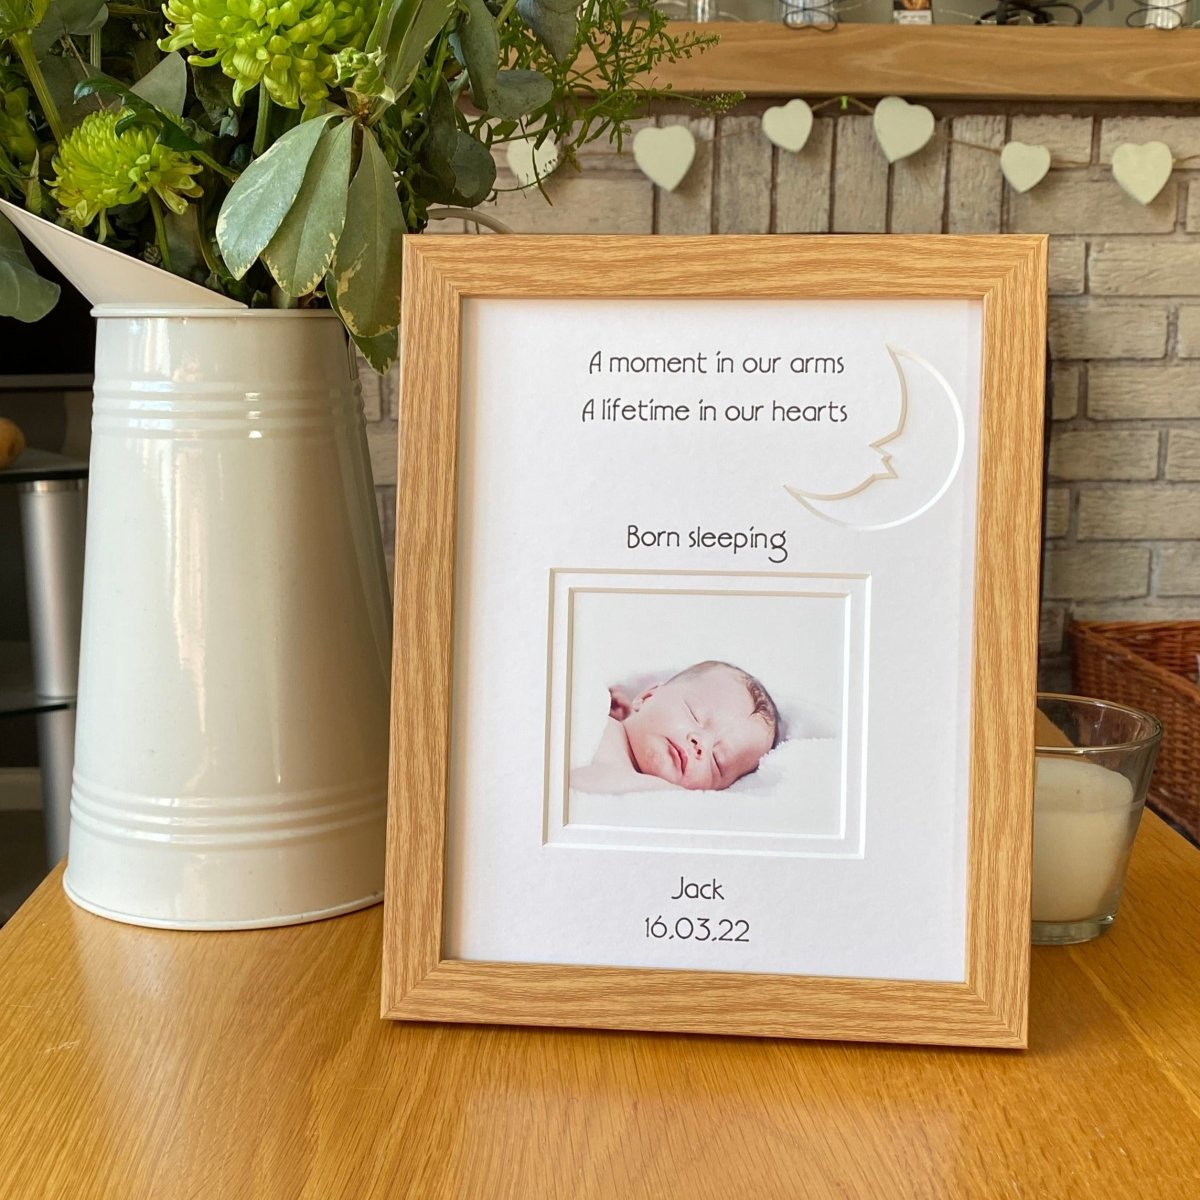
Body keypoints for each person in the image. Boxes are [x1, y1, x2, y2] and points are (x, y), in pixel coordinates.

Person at [571, 660, 780, 794]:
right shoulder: (595, 712)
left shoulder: (658, 799)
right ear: (647, 696)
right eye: (694, 714)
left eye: (718, 761)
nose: (702, 744)